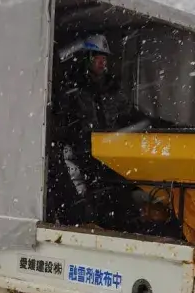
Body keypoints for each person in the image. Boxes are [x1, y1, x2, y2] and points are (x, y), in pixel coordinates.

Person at [48, 33, 158, 229]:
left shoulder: (112, 91)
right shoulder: (72, 91)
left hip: (110, 158)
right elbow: (62, 128)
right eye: (97, 58)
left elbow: (130, 115)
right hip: (82, 157)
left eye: (104, 58)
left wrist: (155, 123)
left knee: (116, 201)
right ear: (87, 58)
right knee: (85, 205)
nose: (101, 62)